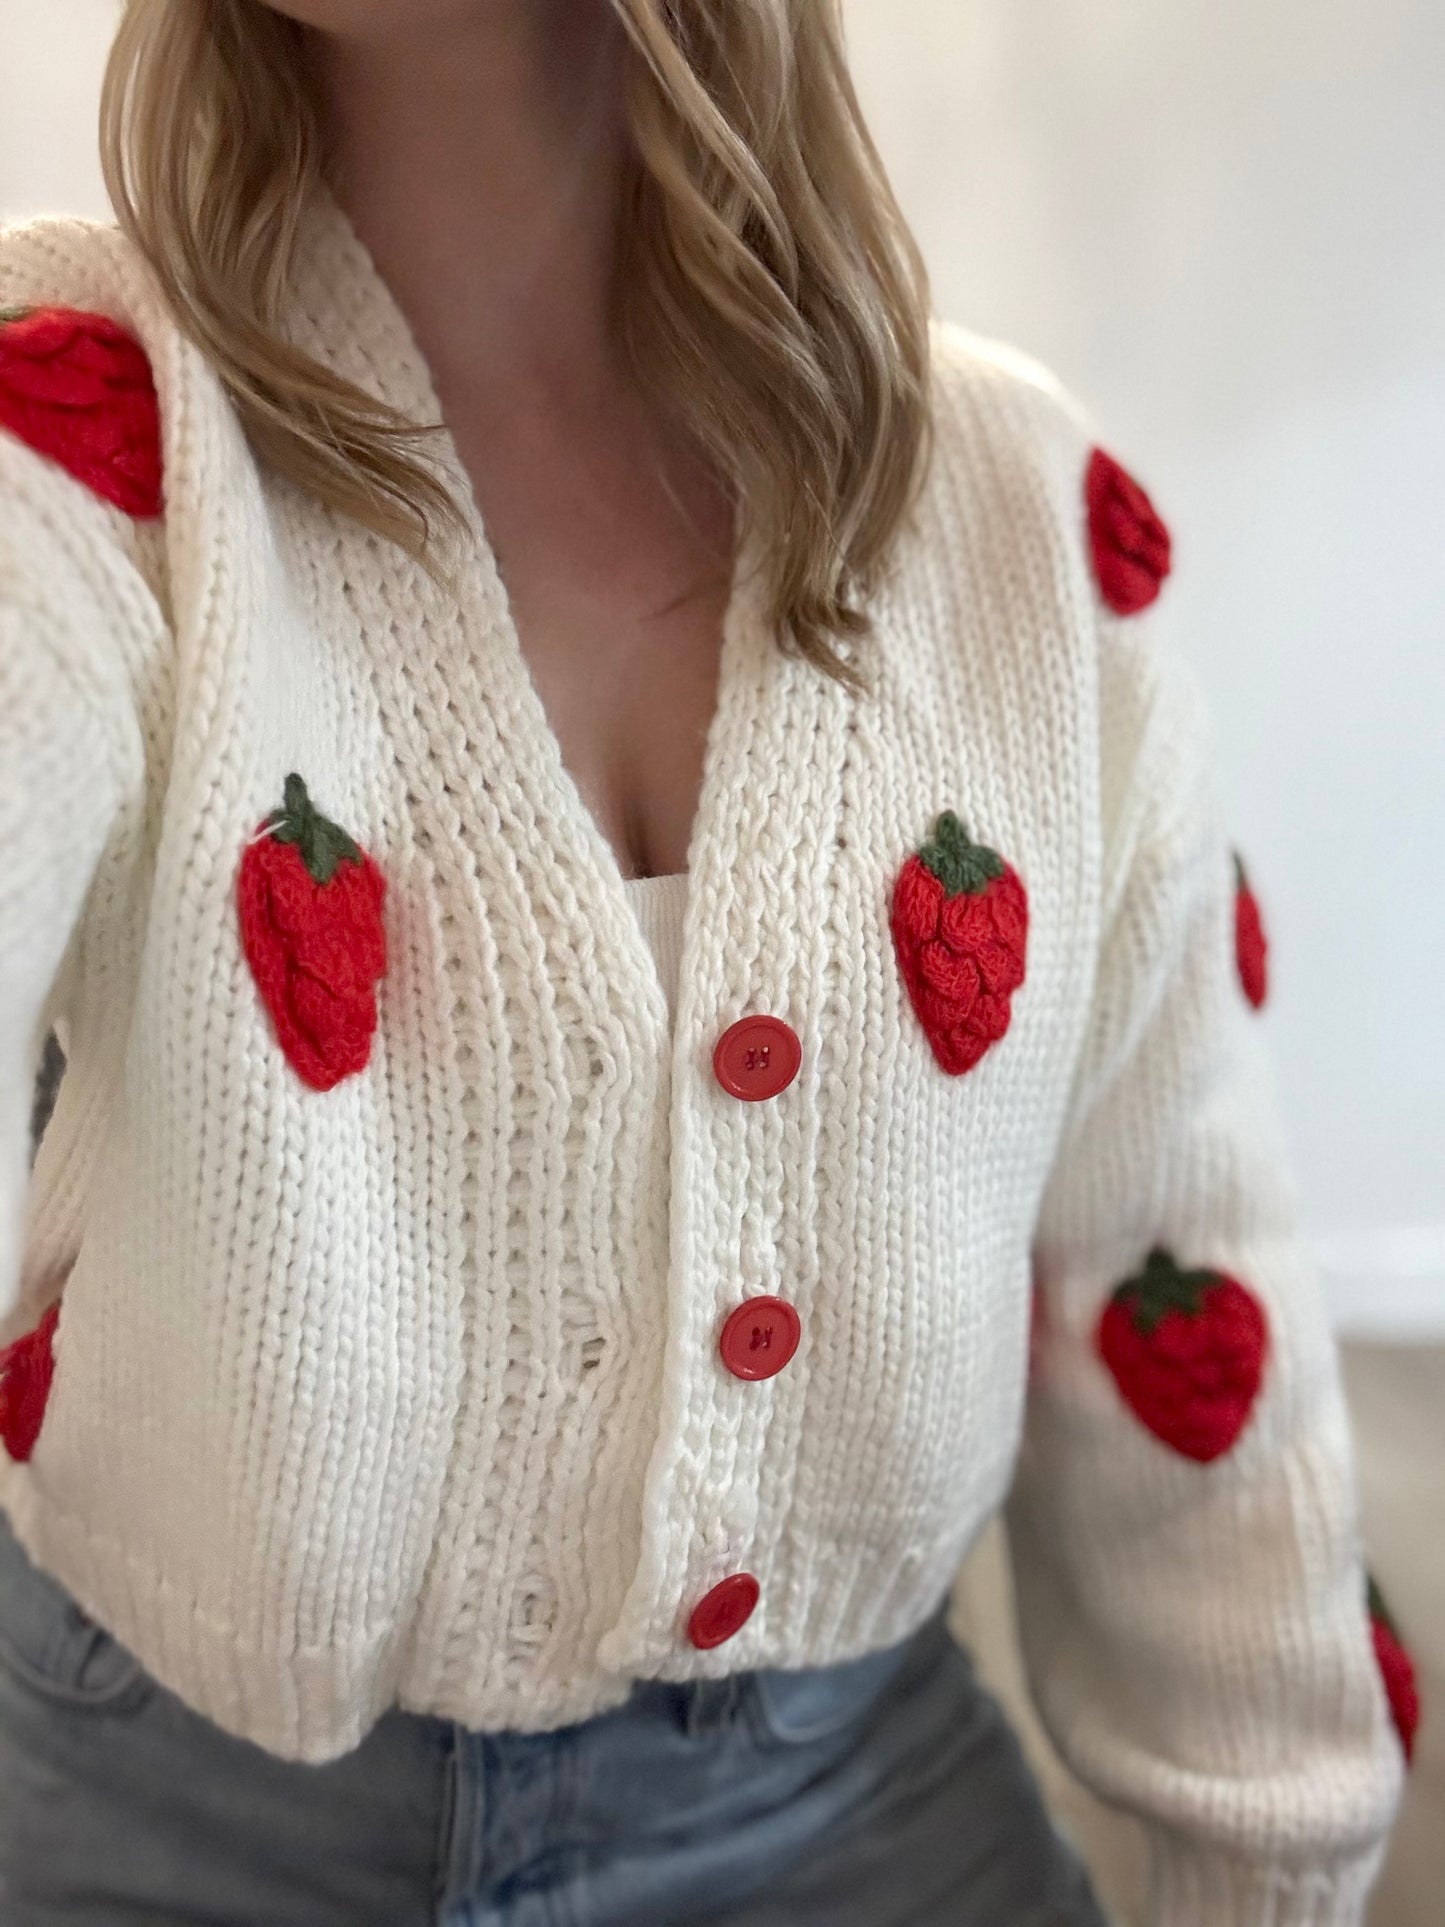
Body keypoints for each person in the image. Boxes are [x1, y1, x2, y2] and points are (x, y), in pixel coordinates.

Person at [0, 1, 1408, 1921]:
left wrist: (1269, 1862)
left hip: (848, 1815)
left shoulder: (1016, 516)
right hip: (156, 1803)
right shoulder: (79, 429)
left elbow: (1181, 1262)